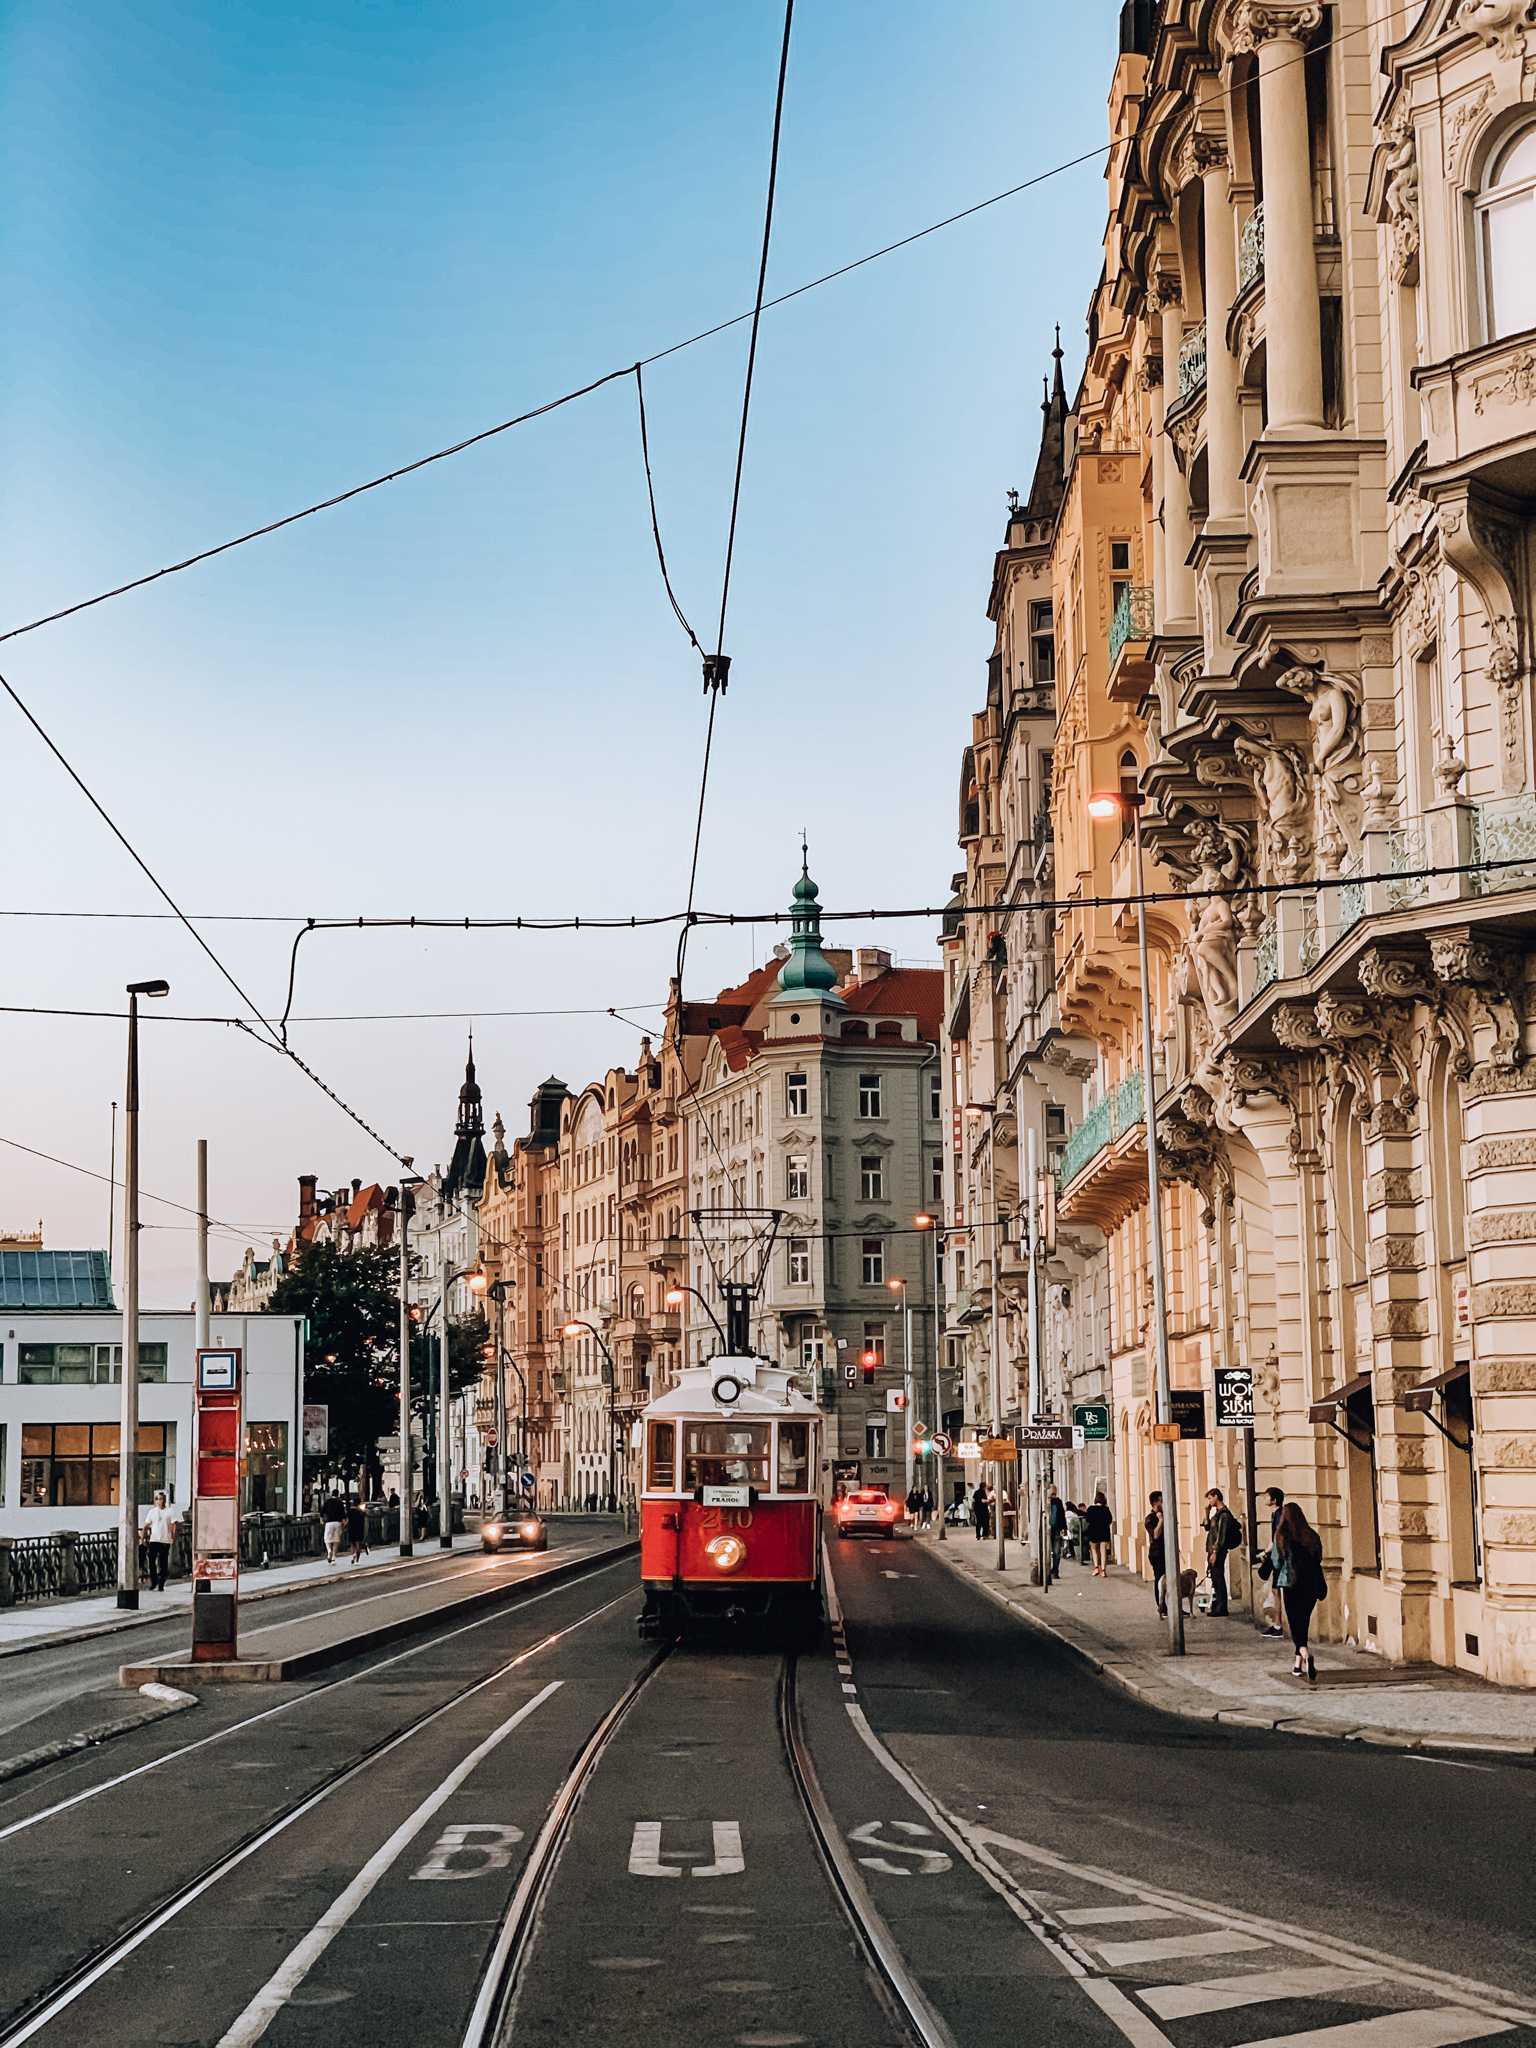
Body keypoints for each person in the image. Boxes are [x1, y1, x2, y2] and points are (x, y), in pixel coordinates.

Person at [1270, 1500, 1325, 1679]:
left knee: (1295, 1626)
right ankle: (1297, 1665)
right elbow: (1319, 1558)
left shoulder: (1281, 1536)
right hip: (1311, 1585)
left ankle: (1306, 1654)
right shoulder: (1312, 1535)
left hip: (1291, 1584)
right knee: (1303, 1623)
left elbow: (1276, 1562)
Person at [1203, 1486, 1242, 1617]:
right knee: (1214, 1577)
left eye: (1209, 1498)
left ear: (1216, 1497)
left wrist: (1215, 1552)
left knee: (1219, 1577)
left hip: (1219, 1551)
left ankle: (1222, 1607)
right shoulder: (1217, 1513)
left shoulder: (1224, 1515)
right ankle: (1217, 1605)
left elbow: (1221, 1535)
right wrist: (1206, 1514)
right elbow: (1207, 1528)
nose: (1209, 1501)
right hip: (1213, 1549)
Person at [1259, 1486, 1286, 1636]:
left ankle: (1278, 1625)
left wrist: (1266, 1552)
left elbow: (1276, 1538)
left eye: (1267, 1496)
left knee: (1277, 1591)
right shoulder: (1276, 1514)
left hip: (1278, 1558)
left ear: (1274, 1499)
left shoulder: (1279, 1514)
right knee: (1276, 1590)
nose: (1264, 1498)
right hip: (1276, 1556)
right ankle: (1277, 1624)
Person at [141, 1490, 177, 1592]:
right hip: (154, 1539)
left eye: (163, 1499)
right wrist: (142, 1537)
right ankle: (154, 1581)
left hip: (165, 1540)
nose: (161, 1501)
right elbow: (147, 1525)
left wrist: (172, 1537)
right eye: (159, 1499)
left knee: (163, 1563)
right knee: (151, 1561)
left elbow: (174, 1524)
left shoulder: (170, 1511)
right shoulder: (152, 1512)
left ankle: (161, 1583)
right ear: (156, 1501)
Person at [1073, 1489, 1113, 1576]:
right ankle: (1103, 1570)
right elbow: (1109, 1520)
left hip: (1094, 1531)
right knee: (1103, 1551)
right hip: (1104, 1531)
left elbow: (1088, 1519)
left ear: (1096, 1500)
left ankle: (1096, 1567)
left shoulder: (1091, 1509)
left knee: (1094, 1549)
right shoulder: (1106, 1509)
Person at [1144, 1491, 1166, 1615]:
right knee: (1160, 1580)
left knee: (1170, 1579)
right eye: (1161, 1501)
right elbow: (1155, 1535)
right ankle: (1161, 1607)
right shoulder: (1150, 1519)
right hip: (1157, 1553)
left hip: (1166, 1551)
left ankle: (1172, 1605)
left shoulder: (1165, 1514)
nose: (1163, 1503)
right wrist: (1161, 1521)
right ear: (1155, 1503)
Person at [1046, 1485, 1067, 1582]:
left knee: (1057, 1551)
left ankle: (1055, 1570)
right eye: (1052, 1494)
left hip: (1056, 1529)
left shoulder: (1058, 1502)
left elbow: (1061, 1515)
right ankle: (1049, 1570)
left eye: (1054, 1494)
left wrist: (1064, 1528)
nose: (1053, 1496)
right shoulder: (1044, 1502)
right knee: (1049, 1551)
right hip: (1046, 1530)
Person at [322, 1493, 345, 1565]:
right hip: (337, 1522)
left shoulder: (327, 1501)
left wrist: (322, 1519)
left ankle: (329, 1550)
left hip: (329, 1522)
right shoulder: (340, 1502)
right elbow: (343, 1513)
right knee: (336, 1540)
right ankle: (334, 1557)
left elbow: (322, 1512)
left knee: (327, 1539)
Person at [347, 1496, 369, 1566]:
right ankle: (357, 1559)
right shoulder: (361, 1511)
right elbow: (365, 1518)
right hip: (359, 1528)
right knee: (358, 1544)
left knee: (352, 1543)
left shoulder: (350, 1511)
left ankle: (353, 1555)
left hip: (352, 1527)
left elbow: (347, 1519)